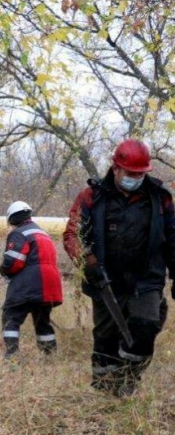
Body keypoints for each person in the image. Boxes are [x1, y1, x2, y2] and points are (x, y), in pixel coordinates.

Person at [63, 139, 175, 396]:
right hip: (105, 281)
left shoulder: (160, 199)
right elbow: (73, 234)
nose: (136, 178)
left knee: (145, 328)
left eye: (140, 173)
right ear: (116, 168)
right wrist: (86, 260)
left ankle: (127, 381)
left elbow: (173, 238)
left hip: (146, 280)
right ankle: (105, 391)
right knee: (105, 338)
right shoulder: (91, 196)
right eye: (130, 173)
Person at [0, 201, 63, 358]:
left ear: (12, 218)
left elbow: (13, 262)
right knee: (42, 320)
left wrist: (5, 270)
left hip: (30, 283)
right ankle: (49, 356)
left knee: (11, 316)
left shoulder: (19, 233)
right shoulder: (43, 233)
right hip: (50, 285)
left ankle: (12, 355)